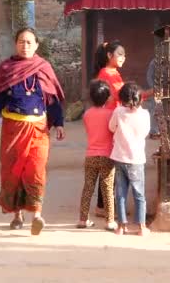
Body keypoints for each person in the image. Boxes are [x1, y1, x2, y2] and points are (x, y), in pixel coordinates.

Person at [0, 27, 66, 236]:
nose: (25, 45)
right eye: (21, 41)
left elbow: (52, 99)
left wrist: (58, 122)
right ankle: (17, 214)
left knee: (36, 170)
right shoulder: (7, 68)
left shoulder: (44, 68)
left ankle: (37, 215)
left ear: (37, 45)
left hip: (38, 128)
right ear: (16, 44)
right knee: (14, 172)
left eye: (29, 42)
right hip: (13, 129)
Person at [93, 41, 152, 217]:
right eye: (120, 54)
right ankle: (104, 206)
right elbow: (124, 95)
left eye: (124, 54)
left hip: (117, 119)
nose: (123, 58)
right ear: (109, 55)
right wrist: (150, 92)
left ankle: (104, 205)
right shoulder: (107, 73)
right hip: (114, 120)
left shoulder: (113, 73)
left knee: (112, 163)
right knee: (110, 164)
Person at [109, 82, 151, 236]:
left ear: (121, 99)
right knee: (139, 194)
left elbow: (111, 127)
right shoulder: (145, 114)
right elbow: (146, 132)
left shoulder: (118, 112)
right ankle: (141, 227)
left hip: (119, 157)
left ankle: (121, 226)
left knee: (120, 194)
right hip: (137, 159)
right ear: (141, 99)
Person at [77, 80, 117, 231]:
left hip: (91, 155)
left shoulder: (87, 114)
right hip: (107, 155)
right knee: (107, 188)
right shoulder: (111, 114)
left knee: (88, 187)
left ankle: (83, 219)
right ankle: (110, 221)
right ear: (107, 98)